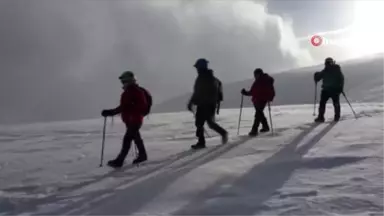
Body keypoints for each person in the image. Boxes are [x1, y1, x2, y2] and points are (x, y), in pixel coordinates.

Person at [101, 71, 148, 168]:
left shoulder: (132, 91)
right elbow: (125, 107)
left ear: (130, 81)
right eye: (122, 81)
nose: (123, 83)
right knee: (136, 138)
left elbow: (125, 107)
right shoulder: (130, 91)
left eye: (124, 81)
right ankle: (142, 155)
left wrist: (111, 112)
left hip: (134, 120)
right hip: (132, 120)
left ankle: (120, 161)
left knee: (127, 140)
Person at [188, 58, 228, 150]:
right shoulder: (212, 78)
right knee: (208, 123)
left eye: (197, 67)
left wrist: (191, 102)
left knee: (200, 123)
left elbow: (197, 92)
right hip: (210, 104)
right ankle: (222, 133)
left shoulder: (203, 77)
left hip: (204, 104)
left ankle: (201, 142)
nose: (196, 69)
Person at [241, 68, 275, 137]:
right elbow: (254, 91)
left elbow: (254, 91)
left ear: (258, 74)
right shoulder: (264, 80)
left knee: (258, 114)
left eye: (255, 74)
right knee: (260, 113)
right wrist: (246, 93)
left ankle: (254, 130)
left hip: (260, 99)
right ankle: (265, 127)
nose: (254, 76)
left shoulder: (261, 81)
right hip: (260, 99)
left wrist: (245, 93)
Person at [314, 57, 344, 122]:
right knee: (334, 103)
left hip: (329, 90)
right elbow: (341, 79)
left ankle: (321, 117)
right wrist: (340, 88)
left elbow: (318, 77)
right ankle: (336, 117)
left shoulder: (328, 70)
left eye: (328, 63)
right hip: (332, 90)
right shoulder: (335, 70)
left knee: (324, 103)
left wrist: (316, 76)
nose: (327, 64)